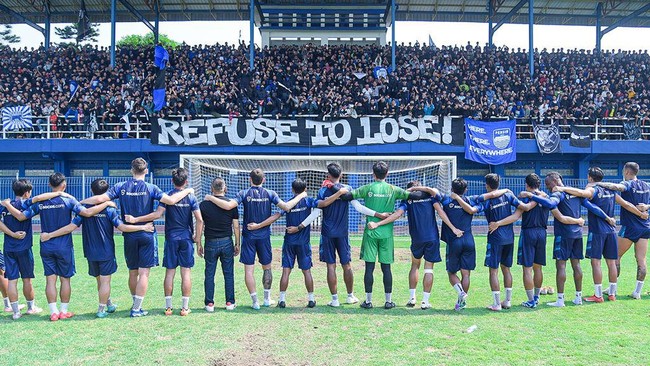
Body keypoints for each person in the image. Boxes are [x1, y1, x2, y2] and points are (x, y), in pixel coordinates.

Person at [80, 157, 195, 317]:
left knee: (132, 272)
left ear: (131, 170)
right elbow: (170, 200)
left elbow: (100, 199)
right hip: (146, 232)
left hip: (129, 234)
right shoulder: (151, 187)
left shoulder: (121, 187)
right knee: (144, 273)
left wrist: (79, 203)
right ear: (146, 171)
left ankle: (135, 304)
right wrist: (188, 191)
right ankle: (136, 308)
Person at [2, 173, 114, 321]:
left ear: (49, 185)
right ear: (64, 185)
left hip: (46, 246)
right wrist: (106, 203)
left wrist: (7, 205)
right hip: (64, 246)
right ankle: (63, 311)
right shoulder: (68, 200)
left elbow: (22, 215)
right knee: (65, 280)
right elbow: (86, 212)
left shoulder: (40, 203)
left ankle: (53, 312)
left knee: (50, 280)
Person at [39, 179, 155, 318]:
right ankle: (101, 310)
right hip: (106, 250)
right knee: (105, 281)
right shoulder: (110, 209)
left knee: (99, 279)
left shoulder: (84, 209)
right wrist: (143, 227)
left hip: (90, 250)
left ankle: (109, 304)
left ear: (91, 191)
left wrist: (50, 235)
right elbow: (122, 227)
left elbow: (71, 226)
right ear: (106, 193)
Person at [204, 168, 308, 310]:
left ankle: (255, 302)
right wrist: (301, 195)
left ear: (249, 179)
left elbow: (228, 205)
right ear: (264, 180)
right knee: (267, 268)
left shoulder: (244, 193)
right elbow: (287, 206)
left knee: (249, 271)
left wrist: (210, 198)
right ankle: (267, 299)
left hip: (248, 238)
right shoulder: (270, 193)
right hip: (264, 237)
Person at [337, 161, 431, 309]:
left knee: (369, 268)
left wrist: (339, 188)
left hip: (371, 231)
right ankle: (388, 301)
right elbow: (417, 196)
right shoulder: (393, 189)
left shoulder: (367, 188)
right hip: (387, 233)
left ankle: (368, 301)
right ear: (387, 174)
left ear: (373, 174)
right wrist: (424, 190)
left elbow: (347, 197)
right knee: (386, 268)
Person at [366, 180, 463, 310]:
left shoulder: (407, 200)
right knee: (429, 269)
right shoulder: (429, 197)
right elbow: (441, 212)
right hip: (432, 238)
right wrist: (453, 228)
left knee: (415, 266)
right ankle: (425, 301)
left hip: (417, 238)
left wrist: (378, 223)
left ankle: (412, 298)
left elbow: (397, 215)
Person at [555, 167, 648, 302]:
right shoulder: (611, 191)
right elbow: (626, 204)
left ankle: (598, 295)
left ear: (590, 177)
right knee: (612, 262)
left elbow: (581, 193)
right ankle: (612, 294)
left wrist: (563, 189)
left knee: (596, 263)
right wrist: (641, 214)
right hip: (612, 231)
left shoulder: (594, 190)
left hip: (597, 231)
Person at [125, 168, 203, 316]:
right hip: (186, 238)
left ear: (172, 181)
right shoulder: (191, 198)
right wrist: (197, 238)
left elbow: (157, 214)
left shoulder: (166, 196)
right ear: (186, 182)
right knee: (186, 272)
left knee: (169, 273)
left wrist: (136, 220)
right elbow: (199, 219)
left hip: (171, 238)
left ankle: (168, 307)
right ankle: (185, 308)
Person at [452, 173, 535, 311]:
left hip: (495, 238)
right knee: (506, 269)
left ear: (487, 185)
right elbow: (522, 208)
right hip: (509, 237)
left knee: (493, 272)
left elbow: (472, 210)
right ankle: (507, 301)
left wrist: (457, 199)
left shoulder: (486, 201)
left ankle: (497, 304)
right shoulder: (508, 196)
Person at [522, 172, 607, 306]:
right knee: (576, 265)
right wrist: (607, 218)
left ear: (555, 181)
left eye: (548, 184)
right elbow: (592, 207)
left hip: (563, 234)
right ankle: (578, 297)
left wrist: (531, 195)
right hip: (578, 234)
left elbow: (550, 203)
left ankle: (560, 300)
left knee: (561, 265)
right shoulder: (576, 193)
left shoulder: (558, 193)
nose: (548, 187)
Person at [310, 162, 387, 307]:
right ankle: (350, 296)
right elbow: (359, 207)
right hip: (343, 233)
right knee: (347, 265)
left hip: (327, 233)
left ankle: (335, 300)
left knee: (331, 266)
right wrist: (378, 214)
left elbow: (320, 206)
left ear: (328, 175)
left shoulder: (323, 190)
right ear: (341, 175)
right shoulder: (348, 189)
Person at [248, 178, 326, 308]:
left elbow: (276, 216)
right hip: (303, 243)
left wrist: (259, 225)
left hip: (289, 242)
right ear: (305, 189)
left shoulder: (288, 203)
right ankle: (311, 299)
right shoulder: (309, 201)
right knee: (307, 271)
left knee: (286, 271)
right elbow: (320, 207)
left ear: (292, 189)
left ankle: (282, 300)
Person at [595, 162, 650, 299]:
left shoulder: (628, 183)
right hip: (645, 227)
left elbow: (617, 188)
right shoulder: (646, 185)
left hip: (631, 228)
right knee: (641, 260)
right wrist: (647, 207)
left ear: (626, 172)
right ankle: (637, 292)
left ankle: (613, 288)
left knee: (615, 257)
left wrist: (600, 184)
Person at [0, 179, 42, 319]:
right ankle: (31, 308)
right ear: (26, 193)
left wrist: (11, 234)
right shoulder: (29, 205)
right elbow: (21, 217)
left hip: (9, 248)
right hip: (24, 248)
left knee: (12, 280)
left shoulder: (5, 205)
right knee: (27, 279)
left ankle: (16, 312)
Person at [199, 177, 240, 312]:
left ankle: (209, 303)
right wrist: (237, 243)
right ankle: (230, 302)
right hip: (226, 241)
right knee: (228, 274)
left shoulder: (204, 205)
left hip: (210, 242)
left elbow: (200, 224)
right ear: (225, 188)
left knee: (209, 274)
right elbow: (236, 226)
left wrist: (198, 242)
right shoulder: (231, 204)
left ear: (212, 189)